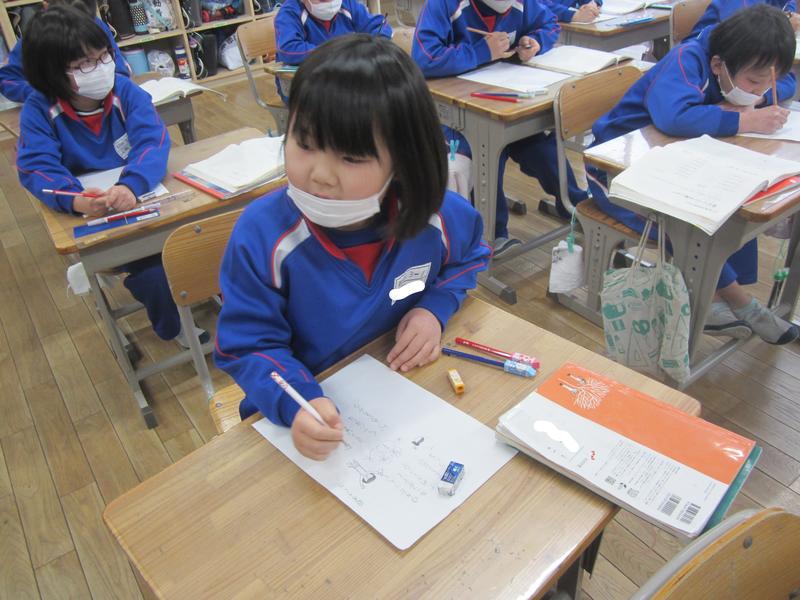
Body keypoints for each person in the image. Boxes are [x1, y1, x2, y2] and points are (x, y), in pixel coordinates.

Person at [214, 34, 490, 460]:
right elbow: (248, 345)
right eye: (305, 144)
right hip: (300, 416)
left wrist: (433, 308)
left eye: (352, 158)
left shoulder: (434, 215)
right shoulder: (263, 235)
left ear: (402, 160)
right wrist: (298, 402)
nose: (321, 174)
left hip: (401, 394)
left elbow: (470, 257)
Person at [588, 5, 799, 345]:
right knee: (688, 225)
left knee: (735, 206)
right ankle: (740, 302)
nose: (760, 92)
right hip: (617, 171)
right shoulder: (687, 60)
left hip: (674, 164)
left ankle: (715, 295)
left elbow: (785, 82)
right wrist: (743, 119)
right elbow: (673, 117)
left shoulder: (739, 63)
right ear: (718, 66)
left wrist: (755, 98)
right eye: (754, 82)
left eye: (766, 83)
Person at [16, 7, 201, 347]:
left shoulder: (124, 91)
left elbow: (153, 141)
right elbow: (36, 168)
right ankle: (175, 327)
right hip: (98, 215)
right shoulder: (39, 110)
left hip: (145, 195)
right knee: (154, 272)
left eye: (103, 57)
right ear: (52, 73)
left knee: (206, 238)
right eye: (85, 64)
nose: (101, 68)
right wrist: (76, 199)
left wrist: (130, 185)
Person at [412, 0, 589, 257]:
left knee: (544, 150)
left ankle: (572, 204)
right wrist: (482, 51)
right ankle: (492, 234)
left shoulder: (521, 4)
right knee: (485, 154)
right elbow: (424, 59)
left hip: (507, 99)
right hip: (460, 110)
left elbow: (549, 23)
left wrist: (535, 42)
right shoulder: (445, 4)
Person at [0, 0, 130, 103]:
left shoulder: (97, 27)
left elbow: (120, 68)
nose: (77, 29)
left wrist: (107, 86)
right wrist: (45, 92)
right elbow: (7, 79)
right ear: (47, 7)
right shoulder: (37, 38)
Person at [274, 0, 392, 102]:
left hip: (343, 77)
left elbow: (379, 26)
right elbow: (288, 49)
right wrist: (336, 51)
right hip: (306, 83)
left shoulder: (347, 5)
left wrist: (375, 43)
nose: (329, 3)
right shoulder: (290, 12)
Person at [684, 0, 799, 42]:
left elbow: (789, 9)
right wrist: (784, 23)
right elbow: (743, 35)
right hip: (709, 62)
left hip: (751, 61)